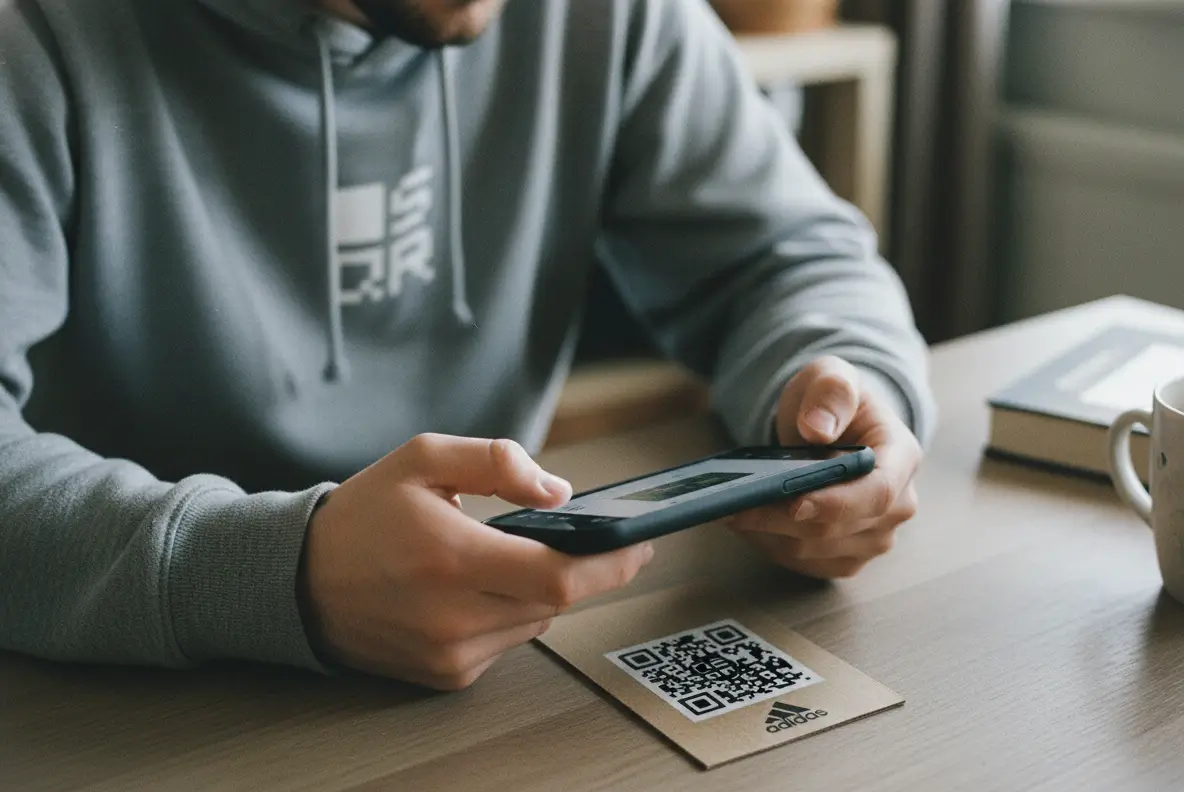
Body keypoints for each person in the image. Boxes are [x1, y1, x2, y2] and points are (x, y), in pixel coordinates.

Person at [0, 0, 936, 690]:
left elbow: (788, 257)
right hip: (110, 703)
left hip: (490, 686)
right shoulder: (31, 37)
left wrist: (852, 385)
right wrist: (269, 572)